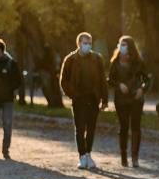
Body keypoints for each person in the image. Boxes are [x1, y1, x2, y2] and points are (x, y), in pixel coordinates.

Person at [60, 32, 109, 170]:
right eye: (84, 42)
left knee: (91, 128)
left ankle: (88, 153)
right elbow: (63, 81)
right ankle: (82, 156)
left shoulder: (97, 59)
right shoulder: (70, 59)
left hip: (93, 98)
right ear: (79, 44)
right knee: (80, 128)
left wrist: (104, 99)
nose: (87, 45)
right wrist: (72, 94)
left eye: (89, 43)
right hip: (78, 99)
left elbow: (102, 80)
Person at [108, 36, 149, 167]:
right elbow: (110, 79)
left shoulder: (138, 62)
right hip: (121, 99)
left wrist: (142, 90)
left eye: (124, 44)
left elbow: (147, 80)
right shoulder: (115, 62)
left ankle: (135, 158)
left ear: (130, 46)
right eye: (120, 44)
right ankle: (124, 156)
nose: (121, 47)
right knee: (124, 126)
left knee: (136, 127)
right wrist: (119, 85)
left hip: (136, 98)